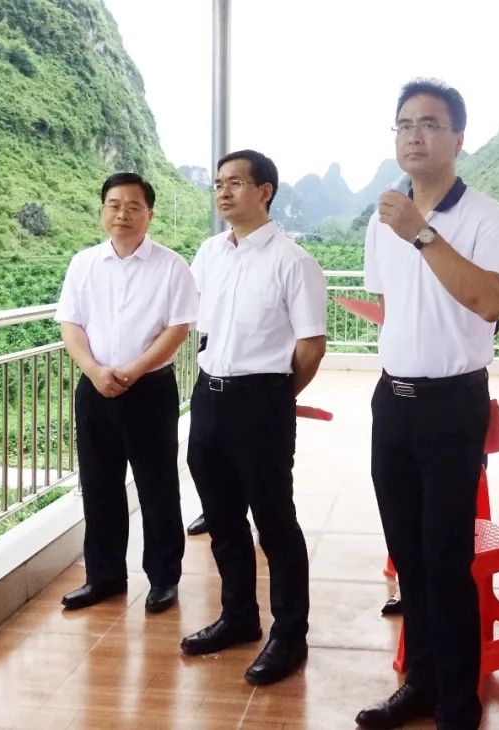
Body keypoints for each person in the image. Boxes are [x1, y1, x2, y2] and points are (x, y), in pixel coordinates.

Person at [354, 79, 499, 730]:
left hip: (452, 405)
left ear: (458, 138)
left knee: (447, 562)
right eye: (403, 124)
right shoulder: (383, 218)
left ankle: (458, 702)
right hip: (392, 401)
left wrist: (421, 233)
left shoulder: (486, 217)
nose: (413, 135)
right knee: (409, 556)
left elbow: (490, 301)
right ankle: (419, 684)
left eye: (428, 123)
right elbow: (390, 304)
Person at [180, 149, 328, 686]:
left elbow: (311, 345)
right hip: (208, 396)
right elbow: (192, 317)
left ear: (265, 192)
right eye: (219, 183)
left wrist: (275, 398)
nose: (223, 191)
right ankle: (239, 615)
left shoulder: (294, 261)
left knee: (274, 522)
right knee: (221, 518)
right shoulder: (209, 252)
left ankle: (290, 634)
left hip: (261, 400)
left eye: (236, 183)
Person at [55, 172, 197, 614]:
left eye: (133, 207)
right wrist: (94, 371)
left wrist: (133, 371)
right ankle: (104, 577)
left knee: (157, 486)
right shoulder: (83, 264)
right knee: (99, 486)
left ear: (149, 214)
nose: (123, 214)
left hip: (150, 389)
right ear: (103, 210)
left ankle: (163, 578)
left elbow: (178, 328)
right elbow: (70, 323)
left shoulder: (172, 266)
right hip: (94, 388)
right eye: (114, 205)